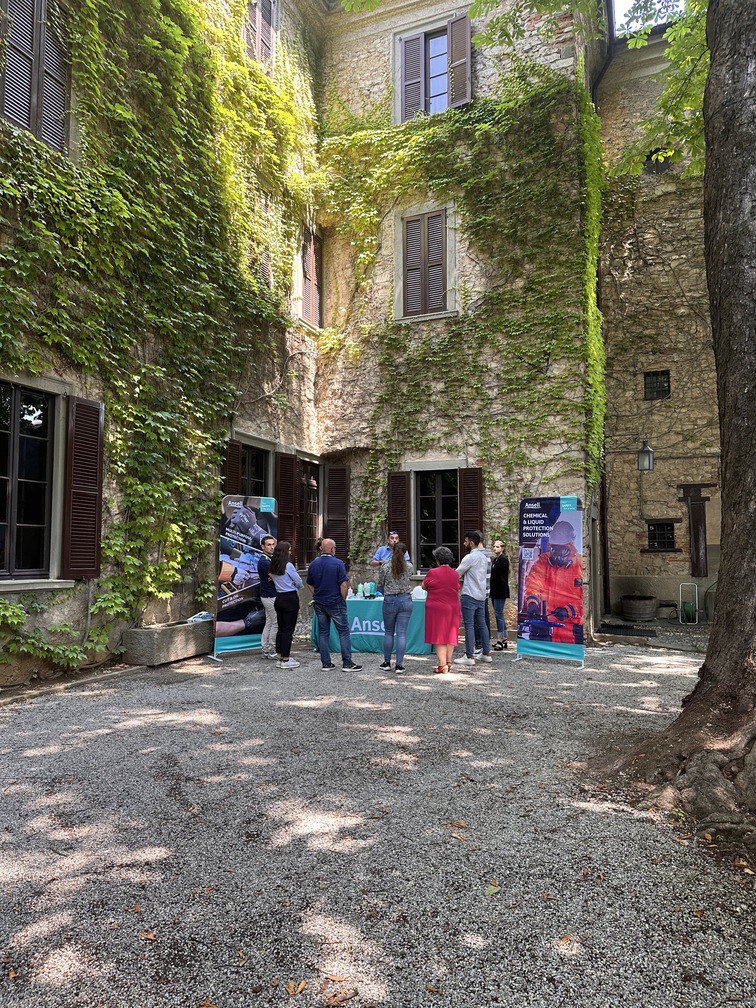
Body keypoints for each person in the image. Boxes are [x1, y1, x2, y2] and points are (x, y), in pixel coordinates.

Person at [522, 519, 584, 644]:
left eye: (562, 550)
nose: (558, 555)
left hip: (572, 628)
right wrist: (532, 602)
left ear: (570, 547)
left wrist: (570, 610)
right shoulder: (543, 562)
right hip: (546, 626)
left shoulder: (580, 565)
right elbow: (534, 584)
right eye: (555, 550)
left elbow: (585, 598)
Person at [307, 538, 363, 672]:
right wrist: (343, 599)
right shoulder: (338, 563)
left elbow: (309, 584)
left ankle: (326, 663)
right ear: (332, 549)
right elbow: (343, 585)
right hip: (335, 601)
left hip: (319, 602)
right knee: (343, 632)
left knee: (323, 633)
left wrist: (317, 594)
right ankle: (347, 662)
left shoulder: (313, 564)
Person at [453, 530, 492, 666]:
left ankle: (469, 656)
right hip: (481, 595)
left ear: (471, 542)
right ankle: (486, 653)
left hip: (469, 594)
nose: (464, 544)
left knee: (469, 625)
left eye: (465, 541)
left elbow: (456, 574)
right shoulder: (485, 557)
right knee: (482, 624)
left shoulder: (469, 557)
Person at [422, 546, 461, 674]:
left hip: (437, 607)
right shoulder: (455, 573)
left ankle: (442, 664)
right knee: (450, 634)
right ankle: (448, 662)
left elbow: (424, 586)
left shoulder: (432, 572)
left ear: (437, 560)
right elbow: (457, 587)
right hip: (453, 607)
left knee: (439, 635)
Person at [377, 540, 414, 673]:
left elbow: (380, 583)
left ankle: (387, 662)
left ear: (392, 551)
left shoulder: (386, 566)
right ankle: (399, 665)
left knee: (388, 632)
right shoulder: (409, 566)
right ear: (405, 552)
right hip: (405, 599)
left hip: (390, 599)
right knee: (401, 634)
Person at [268, 541, 303, 669]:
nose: (290, 552)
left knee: (281, 628)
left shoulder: (273, 565)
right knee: (288, 630)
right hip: (290, 597)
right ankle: (286, 658)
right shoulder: (288, 565)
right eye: (289, 550)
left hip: (279, 597)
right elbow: (299, 581)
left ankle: (280, 656)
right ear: (285, 552)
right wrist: (296, 585)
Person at [256, 534, 278, 659]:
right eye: (269, 545)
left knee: (269, 623)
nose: (272, 547)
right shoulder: (264, 561)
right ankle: (271, 650)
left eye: (273, 544)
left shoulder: (269, 559)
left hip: (269, 595)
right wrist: (276, 577)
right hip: (270, 596)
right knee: (275, 623)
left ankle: (266, 650)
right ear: (263, 547)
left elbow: (275, 576)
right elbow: (277, 577)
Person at [490, 539, 510, 650]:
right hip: (495, 590)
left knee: (498, 615)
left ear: (502, 548)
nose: (495, 548)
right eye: (494, 546)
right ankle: (505, 638)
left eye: (497, 547)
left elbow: (494, 572)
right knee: (499, 614)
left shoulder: (503, 560)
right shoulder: (496, 559)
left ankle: (500, 639)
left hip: (500, 590)